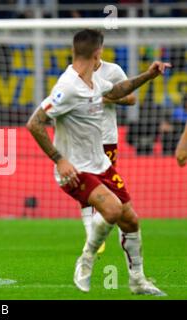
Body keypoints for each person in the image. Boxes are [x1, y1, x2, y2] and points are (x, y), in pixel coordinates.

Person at [26, 29, 170, 296]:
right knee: (113, 211)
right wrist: (59, 159)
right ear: (97, 53)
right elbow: (34, 123)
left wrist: (149, 75)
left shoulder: (94, 81)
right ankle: (86, 259)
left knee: (131, 221)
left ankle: (137, 280)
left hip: (101, 164)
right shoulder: (67, 87)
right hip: (76, 170)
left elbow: (118, 90)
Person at [81, 59, 136, 255]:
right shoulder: (75, 71)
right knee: (85, 183)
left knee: (109, 185)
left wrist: (106, 98)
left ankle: (116, 226)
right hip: (84, 136)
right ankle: (90, 232)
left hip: (107, 137)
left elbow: (132, 99)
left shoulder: (113, 71)